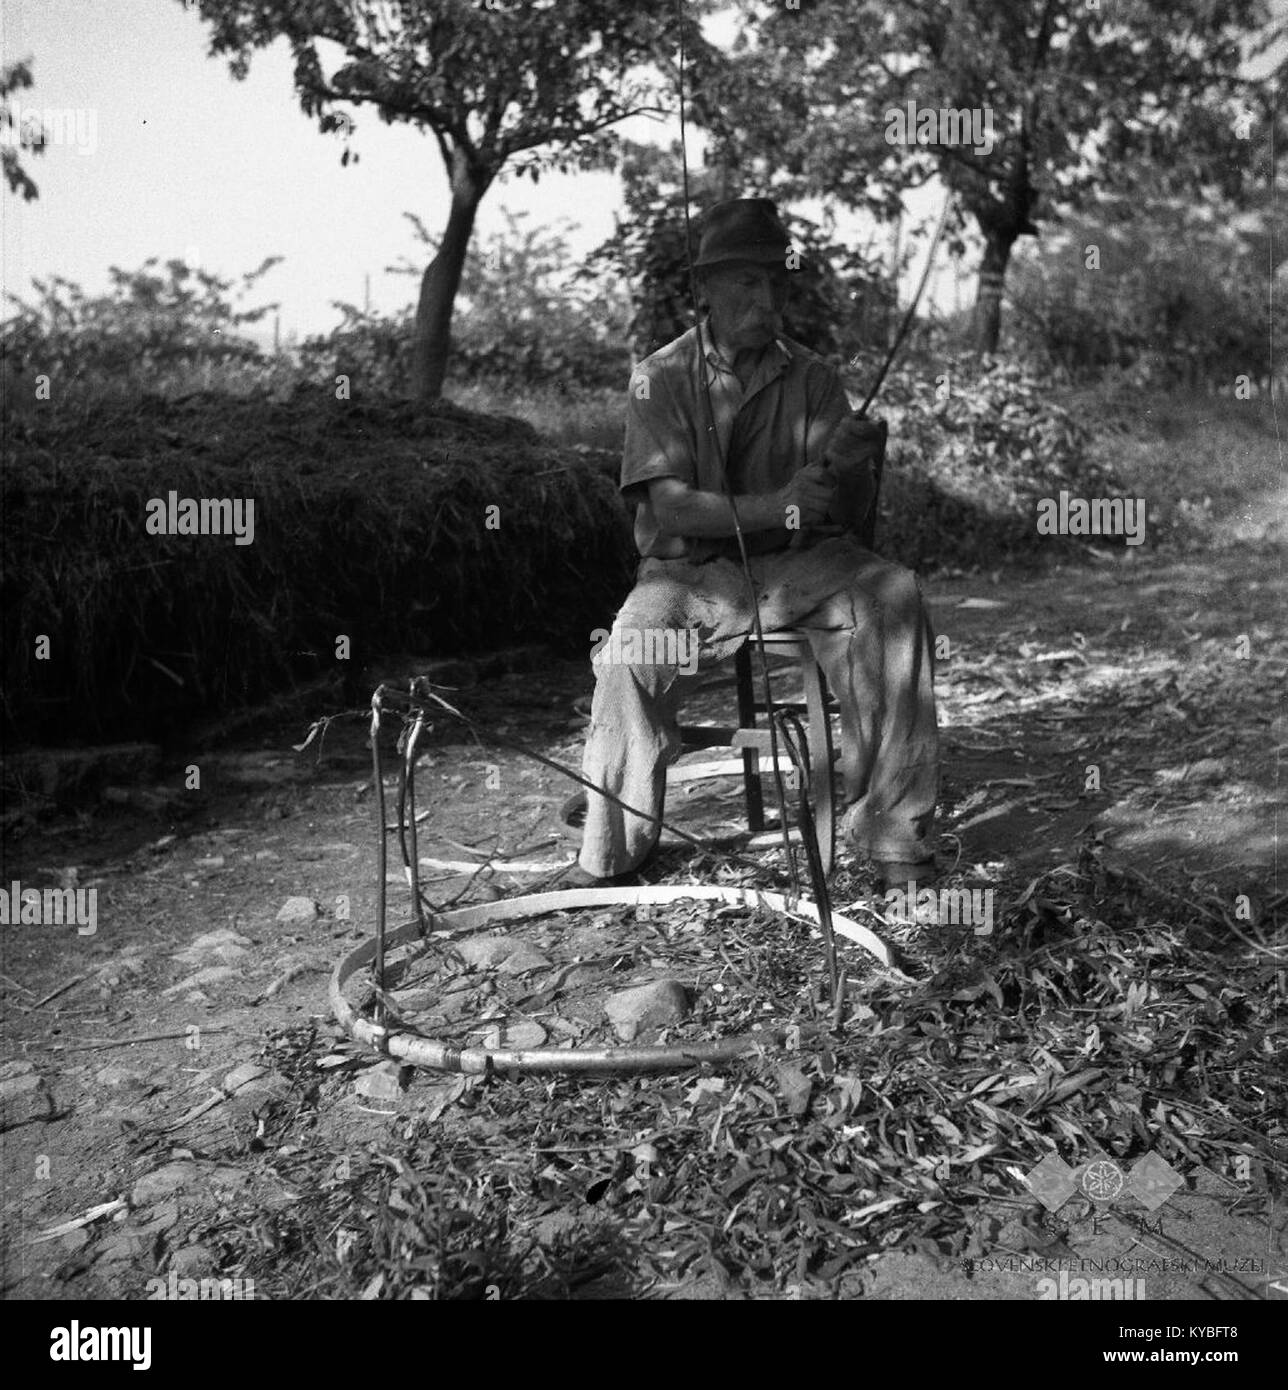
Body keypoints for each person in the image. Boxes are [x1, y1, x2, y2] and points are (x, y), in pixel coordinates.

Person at [564, 198, 939, 890]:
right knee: (629, 654)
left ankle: (893, 838)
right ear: (704, 290)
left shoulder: (814, 378)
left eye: (777, 284)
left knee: (894, 595)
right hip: (689, 575)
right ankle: (612, 848)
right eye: (748, 283)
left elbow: (845, 520)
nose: (767, 300)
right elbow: (669, 506)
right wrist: (779, 501)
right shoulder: (660, 374)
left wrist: (857, 466)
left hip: (798, 564)